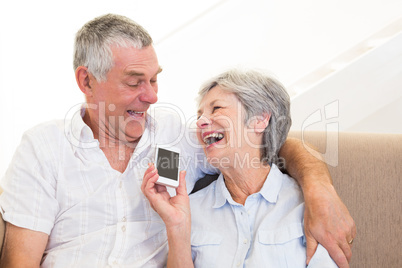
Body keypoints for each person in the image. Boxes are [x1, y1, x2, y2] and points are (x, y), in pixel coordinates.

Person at [0, 14, 355, 267]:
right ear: (87, 80)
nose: (151, 96)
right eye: (134, 81)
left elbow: (265, 143)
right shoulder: (44, 148)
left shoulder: (172, 139)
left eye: (154, 80)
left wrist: (319, 188)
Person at [141, 69, 342, 267]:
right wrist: (177, 228)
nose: (201, 121)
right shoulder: (189, 210)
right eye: (199, 115)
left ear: (260, 119)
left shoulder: (310, 207)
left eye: (216, 108)